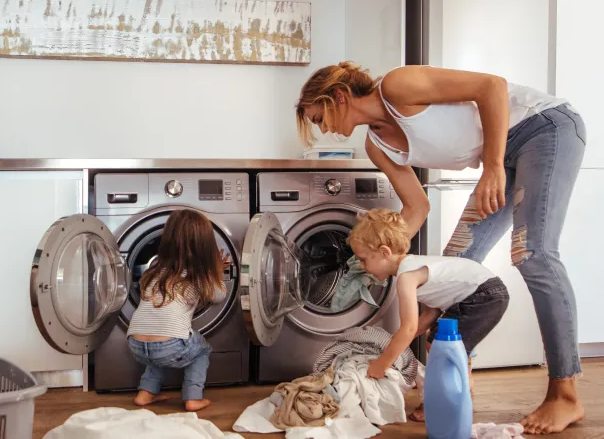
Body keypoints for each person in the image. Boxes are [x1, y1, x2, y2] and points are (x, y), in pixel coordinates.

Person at [294, 61, 586, 434]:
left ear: (339, 96)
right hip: (505, 154)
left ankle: (565, 392)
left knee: (533, 255)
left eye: (320, 118)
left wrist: (493, 167)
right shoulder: (376, 145)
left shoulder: (398, 86)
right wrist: (376, 255)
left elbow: (492, 87)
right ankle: (456, 379)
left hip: (544, 128)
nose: (324, 129)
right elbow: (417, 208)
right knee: (453, 269)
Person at [350, 208, 509, 421]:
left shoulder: (407, 277)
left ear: (384, 252)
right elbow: (429, 315)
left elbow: (408, 328)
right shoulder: (413, 266)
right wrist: (392, 345)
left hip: (483, 295)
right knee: (438, 341)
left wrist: (382, 364)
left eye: (363, 259)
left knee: (441, 345)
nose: (362, 266)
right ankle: (458, 393)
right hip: (484, 292)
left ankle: (446, 401)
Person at [126, 209, 231, 412]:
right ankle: (193, 397)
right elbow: (219, 296)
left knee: (159, 339)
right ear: (205, 246)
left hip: (135, 344)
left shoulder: (155, 271)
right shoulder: (198, 276)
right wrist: (216, 271)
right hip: (170, 346)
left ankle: (145, 393)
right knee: (202, 349)